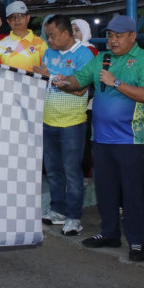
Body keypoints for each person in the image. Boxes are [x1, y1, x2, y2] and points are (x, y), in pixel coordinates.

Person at [53, 15, 144, 262]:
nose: (112, 41)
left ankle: (136, 242)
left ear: (133, 36)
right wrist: (62, 81)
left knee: (132, 194)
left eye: (118, 36)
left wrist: (116, 82)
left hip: (130, 140)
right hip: (101, 139)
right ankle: (110, 233)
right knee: (106, 191)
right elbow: (79, 79)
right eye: (110, 35)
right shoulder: (102, 58)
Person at [33, 15, 94, 236]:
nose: (49, 40)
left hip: (72, 123)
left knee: (71, 172)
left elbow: (80, 89)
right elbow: (45, 81)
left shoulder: (84, 55)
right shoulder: (49, 53)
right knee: (53, 170)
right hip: (48, 120)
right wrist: (42, 78)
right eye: (47, 35)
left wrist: (50, 77)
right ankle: (57, 210)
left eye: (53, 35)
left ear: (66, 33)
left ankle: (74, 217)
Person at [0, 1, 47, 71]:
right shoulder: (1, 44)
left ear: (28, 18)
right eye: (12, 17)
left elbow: (46, 72)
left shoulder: (41, 43)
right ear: (8, 21)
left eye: (20, 15)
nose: (17, 19)